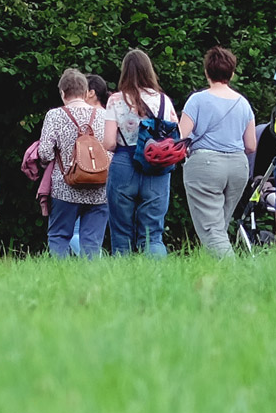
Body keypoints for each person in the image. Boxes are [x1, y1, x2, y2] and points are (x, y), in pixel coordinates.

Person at [181, 47, 259, 258]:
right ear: (232, 73)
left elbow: (181, 136)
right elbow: (251, 145)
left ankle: (233, 274)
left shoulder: (197, 100)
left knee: (211, 229)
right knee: (219, 226)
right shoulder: (243, 103)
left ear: (206, 72)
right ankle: (217, 277)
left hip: (205, 165)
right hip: (237, 167)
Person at [106, 49, 182, 256]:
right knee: (153, 234)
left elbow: (109, 143)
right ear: (149, 71)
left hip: (124, 163)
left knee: (121, 233)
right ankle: (157, 281)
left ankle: (121, 283)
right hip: (156, 165)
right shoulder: (164, 101)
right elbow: (178, 136)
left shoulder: (115, 100)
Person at [38, 68, 117, 257]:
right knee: (92, 242)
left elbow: (45, 153)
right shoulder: (104, 115)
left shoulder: (55, 115)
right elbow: (112, 147)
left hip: (65, 188)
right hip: (99, 187)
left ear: (63, 93)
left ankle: (62, 280)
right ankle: (91, 282)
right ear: (85, 92)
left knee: (59, 236)